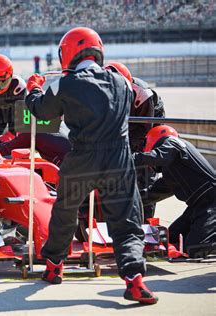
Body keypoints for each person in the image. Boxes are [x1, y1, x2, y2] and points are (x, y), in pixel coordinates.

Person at [25, 27, 157, 304]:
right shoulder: (122, 82)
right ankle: (134, 281)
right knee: (127, 220)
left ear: (68, 52)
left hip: (82, 156)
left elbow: (41, 111)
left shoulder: (66, 83)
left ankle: (53, 267)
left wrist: (34, 89)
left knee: (64, 213)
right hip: (118, 157)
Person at [0, 54, 70, 165]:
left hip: (11, 111)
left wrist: (10, 134)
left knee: (7, 144)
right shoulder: (53, 121)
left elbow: (15, 141)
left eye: (3, 82)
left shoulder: (19, 86)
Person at [134, 125, 215, 258]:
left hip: (212, 201)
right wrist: (131, 199)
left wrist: (129, 159)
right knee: (170, 237)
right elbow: (153, 193)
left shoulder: (173, 142)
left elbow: (160, 156)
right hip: (197, 206)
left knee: (195, 248)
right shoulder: (171, 170)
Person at [104, 61, 166, 218]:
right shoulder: (101, 92)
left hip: (147, 121)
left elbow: (144, 132)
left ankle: (147, 217)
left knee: (145, 166)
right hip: (125, 121)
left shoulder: (143, 95)